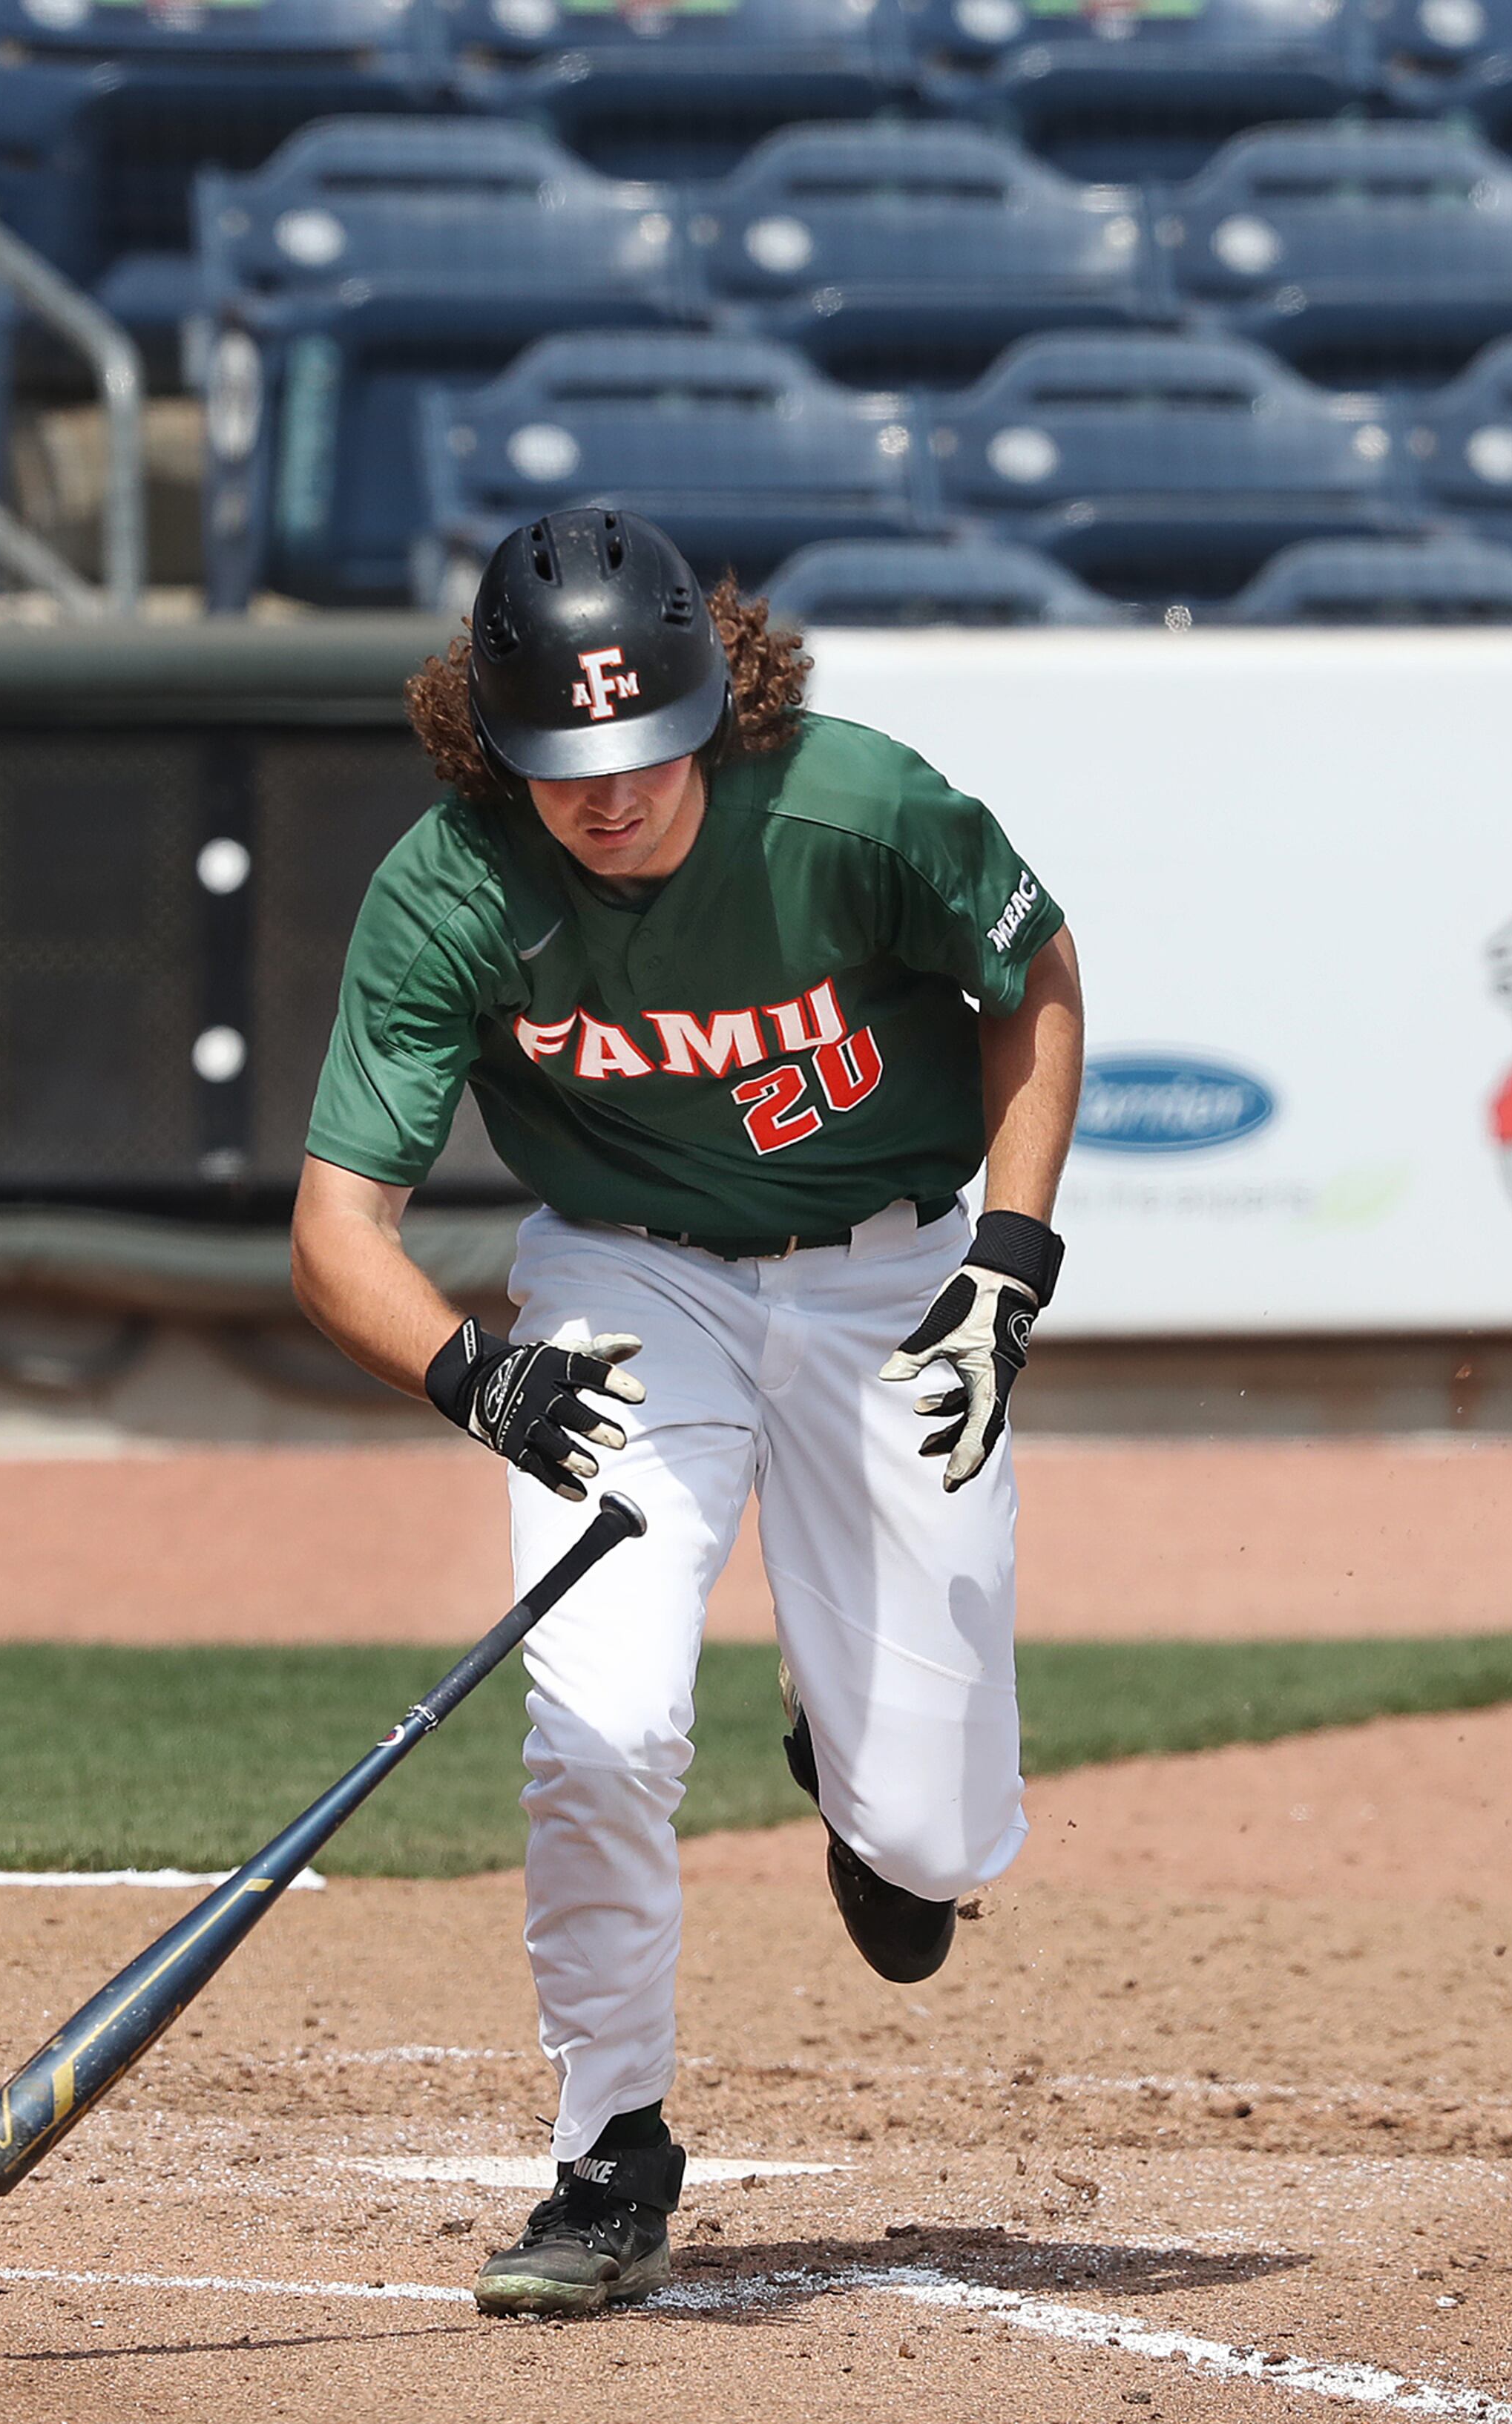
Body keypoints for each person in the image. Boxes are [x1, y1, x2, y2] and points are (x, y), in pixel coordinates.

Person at [289, 506, 1085, 2315]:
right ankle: (609, 2151)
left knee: (939, 1852)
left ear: (714, 702)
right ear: (486, 736)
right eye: (565, 760)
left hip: (890, 1269)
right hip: (627, 1283)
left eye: (648, 746)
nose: (612, 794)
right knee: (601, 1724)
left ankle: (851, 1756)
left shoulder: (859, 807)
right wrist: (470, 1369)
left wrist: (1010, 1261)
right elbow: (338, 1228)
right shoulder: (449, 887)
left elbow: (1034, 976)